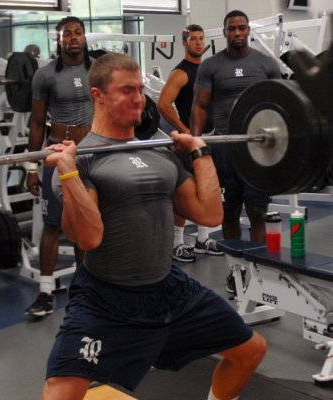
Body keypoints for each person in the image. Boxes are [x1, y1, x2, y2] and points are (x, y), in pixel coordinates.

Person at [40, 52, 267, 400]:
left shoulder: (158, 151)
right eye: (127, 90)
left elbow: (209, 215)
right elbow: (88, 236)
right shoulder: (80, 159)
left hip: (169, 290)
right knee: (60, 394)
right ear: (98, 95)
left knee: (250, 351)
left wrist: (199, 152)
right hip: (106, 299)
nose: (139, 99)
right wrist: (67, 172)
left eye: (140, 89)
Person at [190, 10, 281, 294]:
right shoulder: (211, 66)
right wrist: (195, 144)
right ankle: (237, 273)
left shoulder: (266, 64)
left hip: (258, 148)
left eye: (242, 28)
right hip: (225, 148)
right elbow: (200, 106)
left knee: (257, 213)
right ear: (225, 32)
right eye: (232, 29)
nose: (238, 33)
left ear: (248, 30)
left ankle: (259, 271)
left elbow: (279, 105)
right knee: (229, 213)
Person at [24, 16, 93, 318]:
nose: (73, 38)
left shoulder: (98, 69)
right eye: (67, 34)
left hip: (92, 152)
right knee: (52, 222)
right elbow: (37, 123)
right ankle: (45, 291)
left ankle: (84, 286)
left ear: (84, 37)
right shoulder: (45, 75)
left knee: (84, 220)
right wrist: (30, 166)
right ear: (59, 39)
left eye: (77, 33)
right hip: (58, 151)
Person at [157, 24, 224, 263]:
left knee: (207, 188)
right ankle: (177, 243)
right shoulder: (181, 72)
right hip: (189, 140)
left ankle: (203, 239)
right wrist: (185, 131)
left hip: (209, 136)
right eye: (193, 39)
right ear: (184, 43)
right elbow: (163, 103)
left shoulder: (207, 70)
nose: (197, 42)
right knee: (186, 191)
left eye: (200, 39)